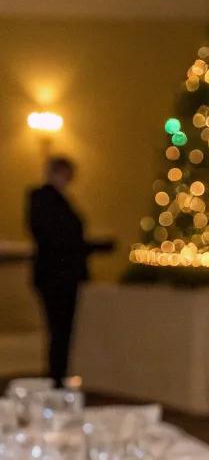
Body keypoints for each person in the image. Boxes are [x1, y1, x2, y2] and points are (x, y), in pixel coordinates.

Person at [25, 156, 111, 386]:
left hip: (61, 275)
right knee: (59, 330)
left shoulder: (56, 199)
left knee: (62, 331)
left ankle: (58, 377)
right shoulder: (43, 198)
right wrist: (91, 247)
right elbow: (55, 238)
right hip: (56, 277)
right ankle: (56, 380)